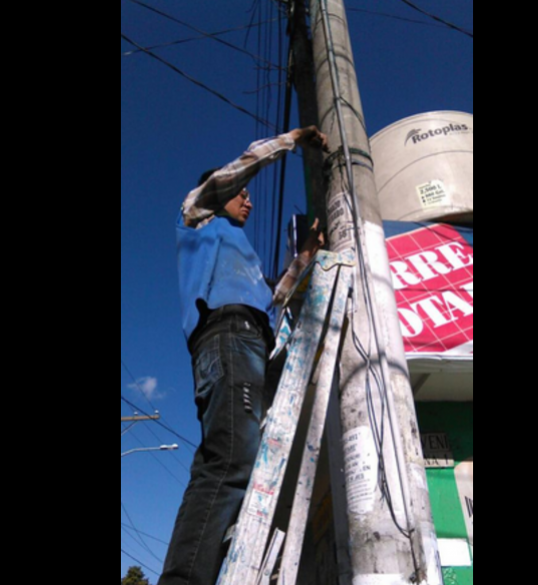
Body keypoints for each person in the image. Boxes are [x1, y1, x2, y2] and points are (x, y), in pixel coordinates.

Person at [159, 126, 329, 585]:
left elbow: (274, 296)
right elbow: (241, 167)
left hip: (252, 340)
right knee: (232, 457)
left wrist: (307, 255)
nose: (248, 202)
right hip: (226, 336)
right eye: (242, 194)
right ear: (222, 192)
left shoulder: (244, 253)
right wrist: (292, 140)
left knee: (233, 457)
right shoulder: (197, 214)